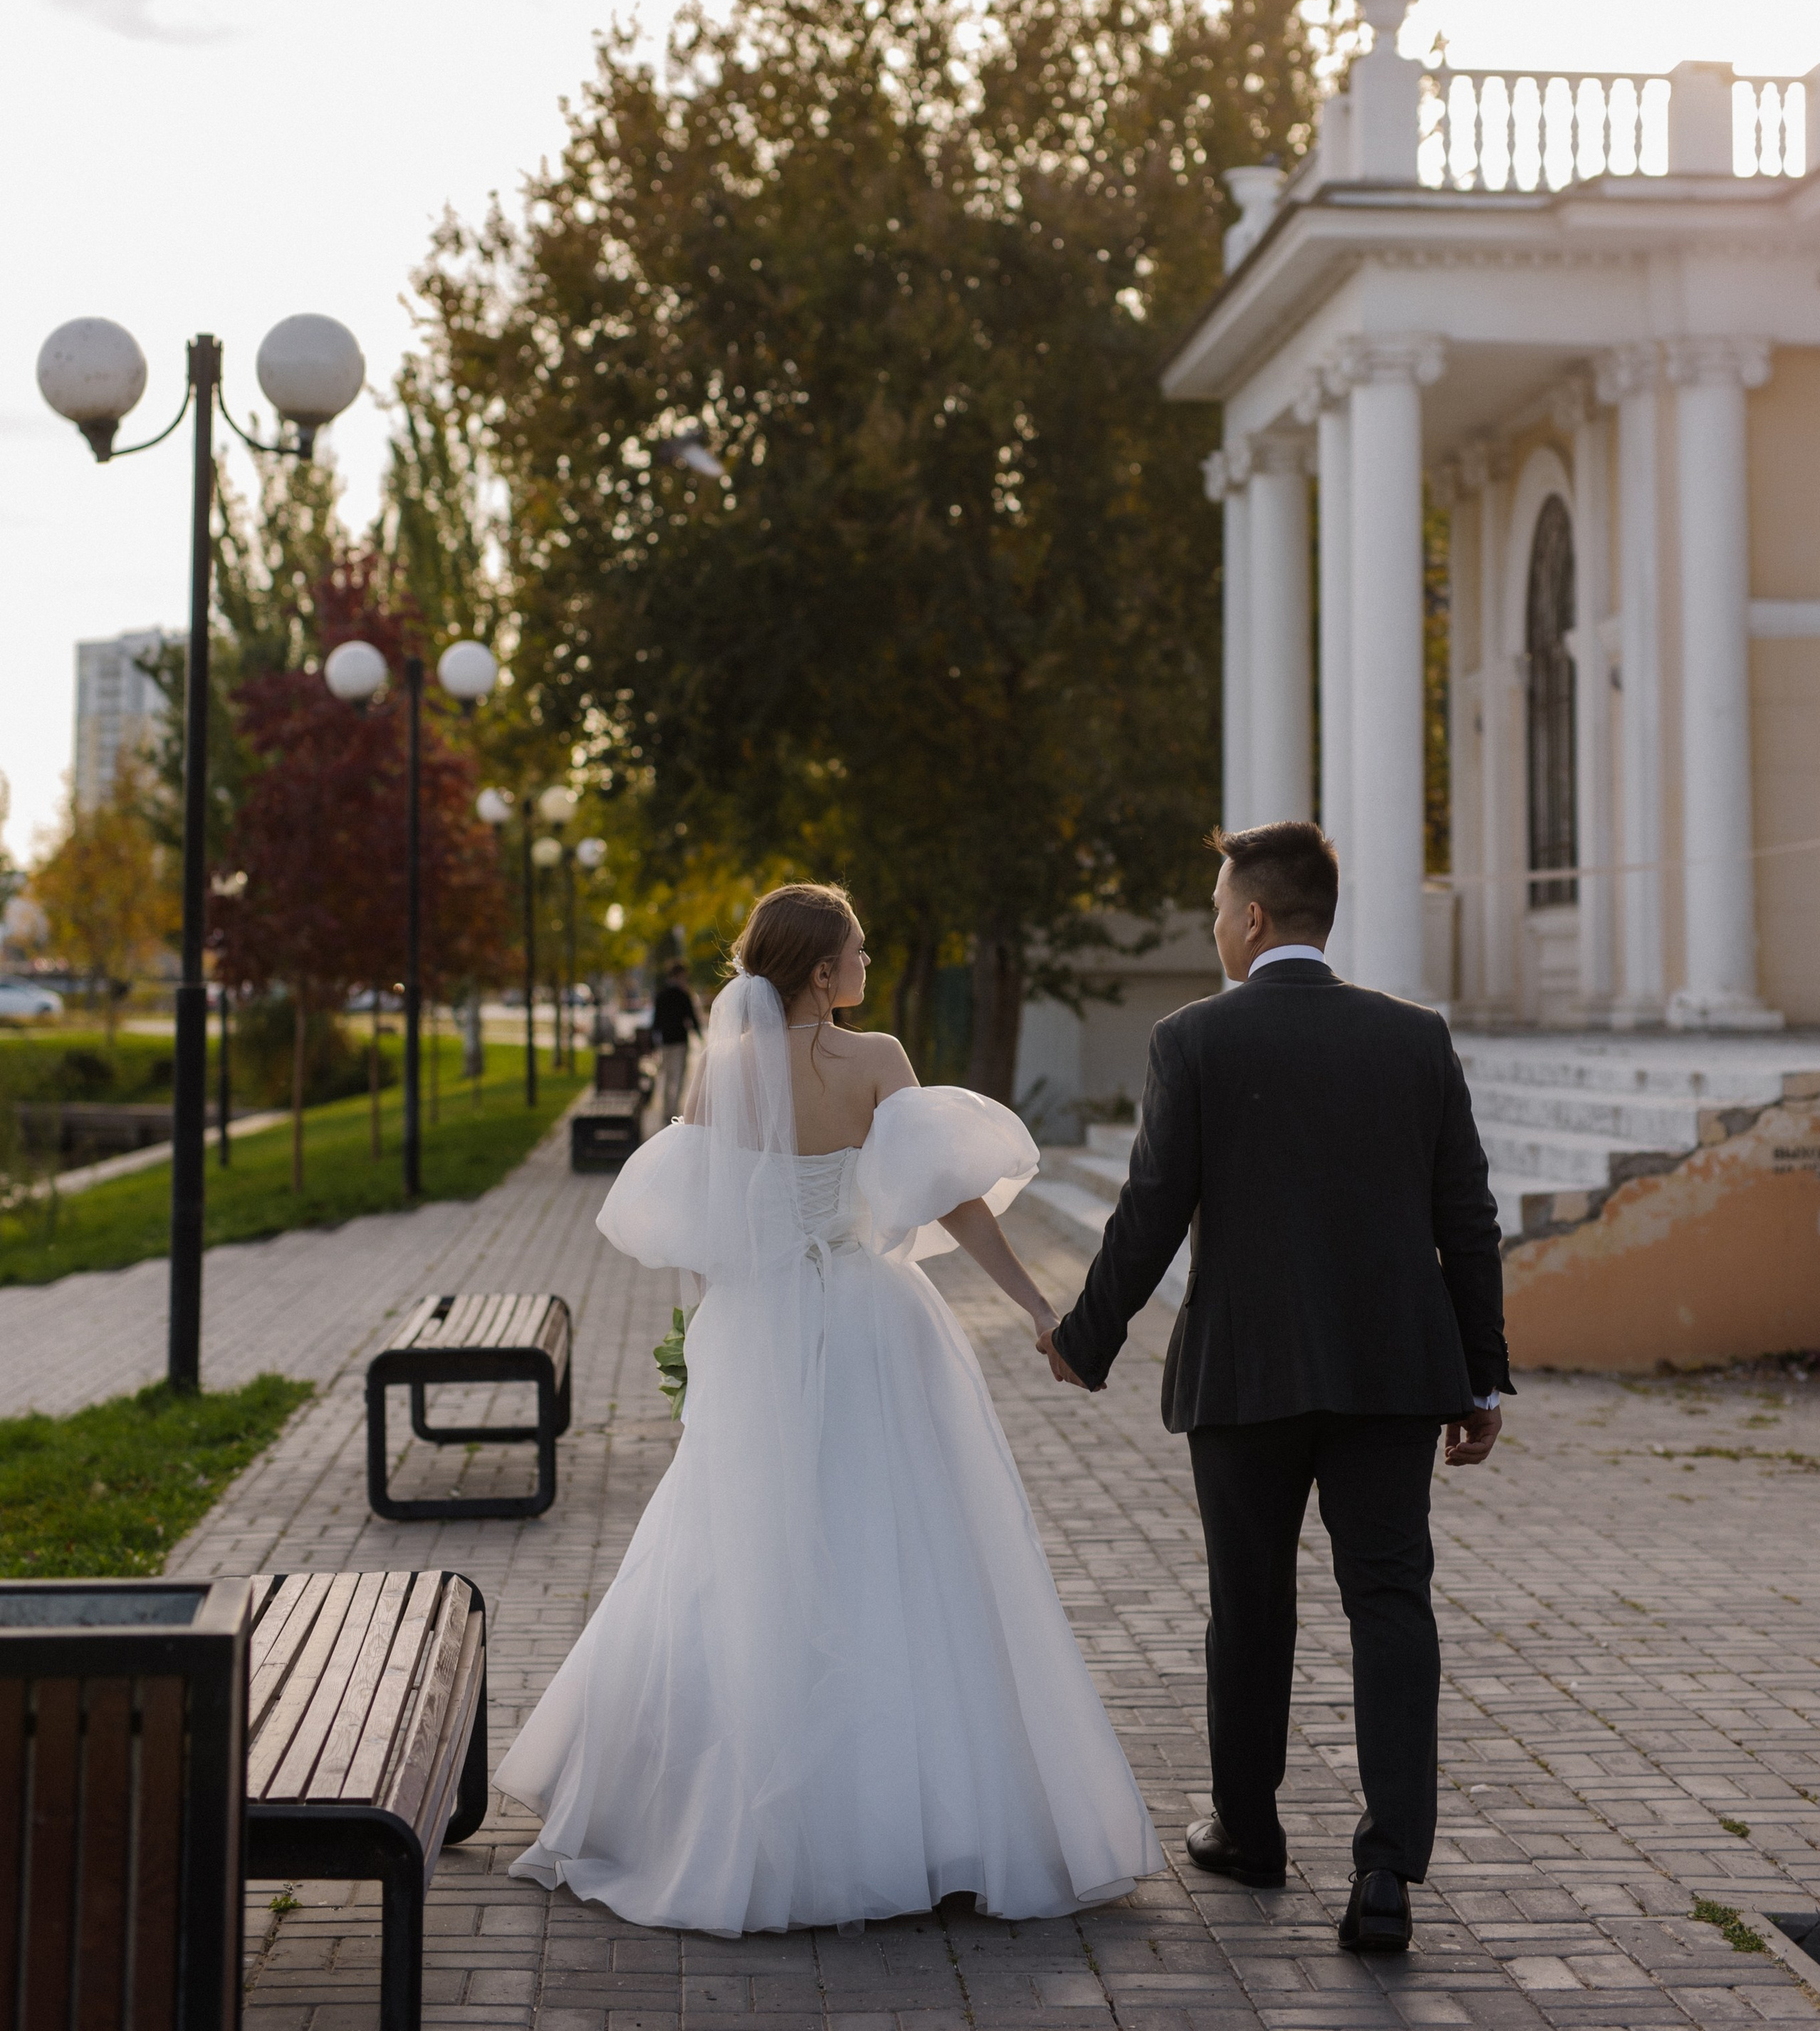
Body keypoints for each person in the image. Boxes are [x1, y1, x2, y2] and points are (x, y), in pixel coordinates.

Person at [497, 880, 1161, 1935]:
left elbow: (709, 1227)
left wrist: (708, 1347)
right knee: (903, 1549)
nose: (864, 960)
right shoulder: (880, 1059)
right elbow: (955, 1202)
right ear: (821, 972)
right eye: (854, 948)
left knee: (749, 1552)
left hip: (760, 1326)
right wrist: (1042, 1308)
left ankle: (730, 1816)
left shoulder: (724, 1069)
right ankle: (931, 1820)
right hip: (871, 1323)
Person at [1042, 820, 1510, 1958]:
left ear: (1253, 920)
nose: (1211, 925)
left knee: (1250, 1611)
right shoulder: (1414, 1039)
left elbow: (1151, 1210)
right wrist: (1481, 1373)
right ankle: (1389, 1866)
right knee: (1391, 1604)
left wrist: (1084, 1336)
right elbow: (1468, 1219)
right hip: (1396, 1374)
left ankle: (1249, 1834)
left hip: (1244, 1376)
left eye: (1216, 907)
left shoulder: (1193, 1039)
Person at [649, 957, 701, 1121]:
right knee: (677, 1077)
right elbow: (692, 1018)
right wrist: (699, 1036)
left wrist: (653, 1042)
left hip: (666, 1041)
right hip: (679, 1041)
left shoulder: (661, 995)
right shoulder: (683, 995)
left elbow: (656, 1020)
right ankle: (674, 1110)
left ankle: (667, 1110)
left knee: (667, 1076)